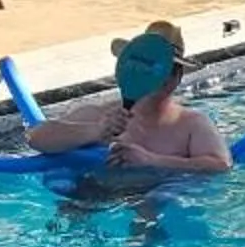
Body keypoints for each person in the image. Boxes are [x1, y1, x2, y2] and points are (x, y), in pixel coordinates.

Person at [24, 20, 232, 175]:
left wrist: (154, 160)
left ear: (176, 77)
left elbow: (221, 165)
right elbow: (36, 138)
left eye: (159, 70)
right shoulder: (100, 115)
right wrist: (95, 131)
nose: (151, 77)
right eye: (143, 67)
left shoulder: (191, 124)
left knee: (152, 210)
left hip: (157, 202)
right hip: (93, 197)